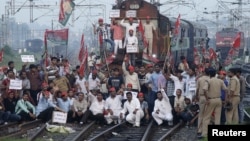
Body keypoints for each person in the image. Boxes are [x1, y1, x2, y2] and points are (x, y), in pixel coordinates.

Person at [198, 68, 227, 139]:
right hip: (219, 100)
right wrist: (226, 100)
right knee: (217, 117)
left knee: (206, 117)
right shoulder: (220, 81)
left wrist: (207, 99)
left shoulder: (208, 81)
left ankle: (204, 134)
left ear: (209, 74)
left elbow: (204, 89)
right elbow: (226, 90)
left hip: (211, 100)